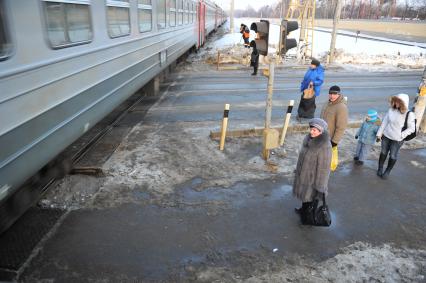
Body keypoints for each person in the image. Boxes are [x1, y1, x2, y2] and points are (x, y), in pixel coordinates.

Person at [293, 118, 332, 219]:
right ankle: (303, 210)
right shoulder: (309, 139)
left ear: (321, 131)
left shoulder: (324, 146)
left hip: (313, 179)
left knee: (311, 197)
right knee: (305, 196)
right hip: (304, 175)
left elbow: (324, 168)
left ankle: (308, 217)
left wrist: (320, 185)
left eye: (314, 130)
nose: (311, 132)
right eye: (311, 129)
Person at [376, 93, 416, 179]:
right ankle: (380, 168)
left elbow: (412, 128)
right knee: (383, 153)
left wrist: (401, 135)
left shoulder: (409, 114)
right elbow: (385, 122)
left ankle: (387, 171)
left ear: (403, 103)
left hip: (397, 140)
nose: (396, 103)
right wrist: (379, 134)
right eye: (395, 101)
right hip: (386, 136)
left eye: (398, 102)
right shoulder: (391, 110)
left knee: (393, 156)